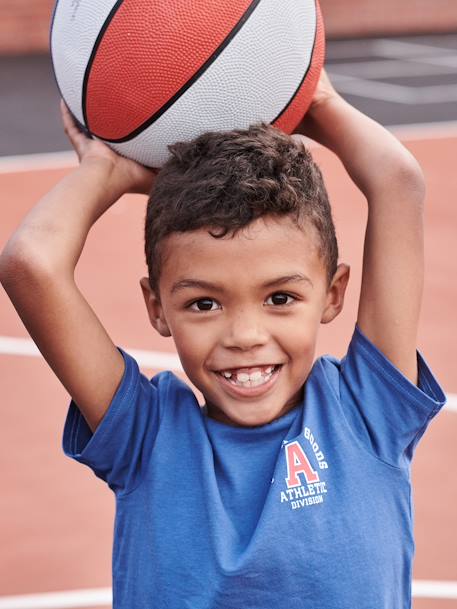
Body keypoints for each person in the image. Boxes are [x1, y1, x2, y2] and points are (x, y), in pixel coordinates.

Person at [0, 71, 446, 608]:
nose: (245, 335)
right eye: (203, 303)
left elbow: (398, 182)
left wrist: (316, 96)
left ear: (333, 295)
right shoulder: (146, 438)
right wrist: (105, 168)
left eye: (280, 297)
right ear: (156, 308)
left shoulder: (367, 412)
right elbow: (31, 264)